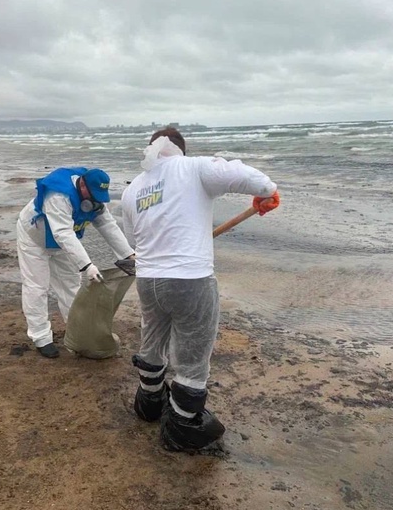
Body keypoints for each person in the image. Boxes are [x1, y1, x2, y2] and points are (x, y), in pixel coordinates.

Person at [120, 127, 280, 452]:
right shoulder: (193, 167)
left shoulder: (132, 189)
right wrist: (267, 192)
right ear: (180, 149)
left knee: (153, 340)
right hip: (190, 279)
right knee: (193, 355)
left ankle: (149, 404)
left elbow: (134, 239)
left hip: (148, 279)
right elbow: (253, 179)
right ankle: (181, 426)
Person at [16, 167, 134, 358]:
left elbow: (107, 225)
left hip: (61, 245)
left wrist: (129, 255)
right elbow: (62, 232)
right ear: (82, 185)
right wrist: (87, 266)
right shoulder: (58, 196)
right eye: (93, 195)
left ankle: (78, 335)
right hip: (34, 239)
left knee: (70, 285)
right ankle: (41, 337)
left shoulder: (95, 200)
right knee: (37, 287)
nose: (95, 200)